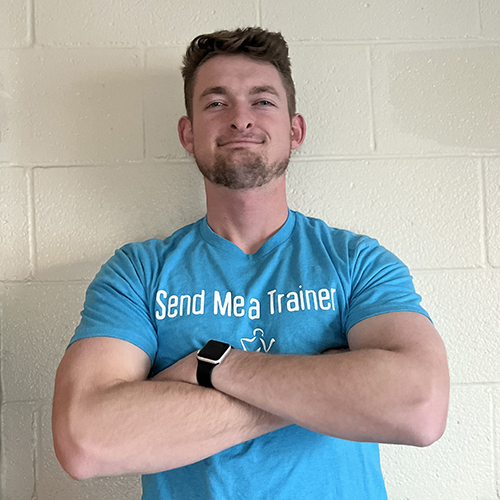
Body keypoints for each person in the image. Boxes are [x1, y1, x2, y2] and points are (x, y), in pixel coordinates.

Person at [52, 27, 450, 500]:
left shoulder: (356, 262)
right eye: (216, 103)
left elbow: (420, 408)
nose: (241, 119)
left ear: (295, 130)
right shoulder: (137, 272)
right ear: (188, 133)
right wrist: (329, 387)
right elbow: (85, 442)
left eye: (262, 101)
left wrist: (210, 366)